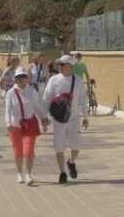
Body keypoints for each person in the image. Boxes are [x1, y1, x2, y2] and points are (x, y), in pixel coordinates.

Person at [43, 55, 89, 184]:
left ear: (70, 66)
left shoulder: (78, 80)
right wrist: (44, 117)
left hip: (74, 119)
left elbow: (83, 100)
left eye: (63, 64)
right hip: (58, 120)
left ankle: (71, 162)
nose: (60, 67)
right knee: (59, 148)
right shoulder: (54, 80)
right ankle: (62, 172)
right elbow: (46, 99)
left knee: (76, 146)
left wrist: (85, 117)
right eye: (59, 64)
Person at [5, 67, 49, 185]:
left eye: (23, 77)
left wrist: (43, 118)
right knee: (18, 150)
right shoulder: (10, 93)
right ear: (15, 79)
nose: (21, 79)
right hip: (15, 125)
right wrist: (8, 123)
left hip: (30, 124)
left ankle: (28, 174)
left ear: (27, 78)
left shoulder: (32, 91)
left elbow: (36, 107)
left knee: (29, 150)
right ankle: (19, 173)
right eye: (18, 77)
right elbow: (8, 109)